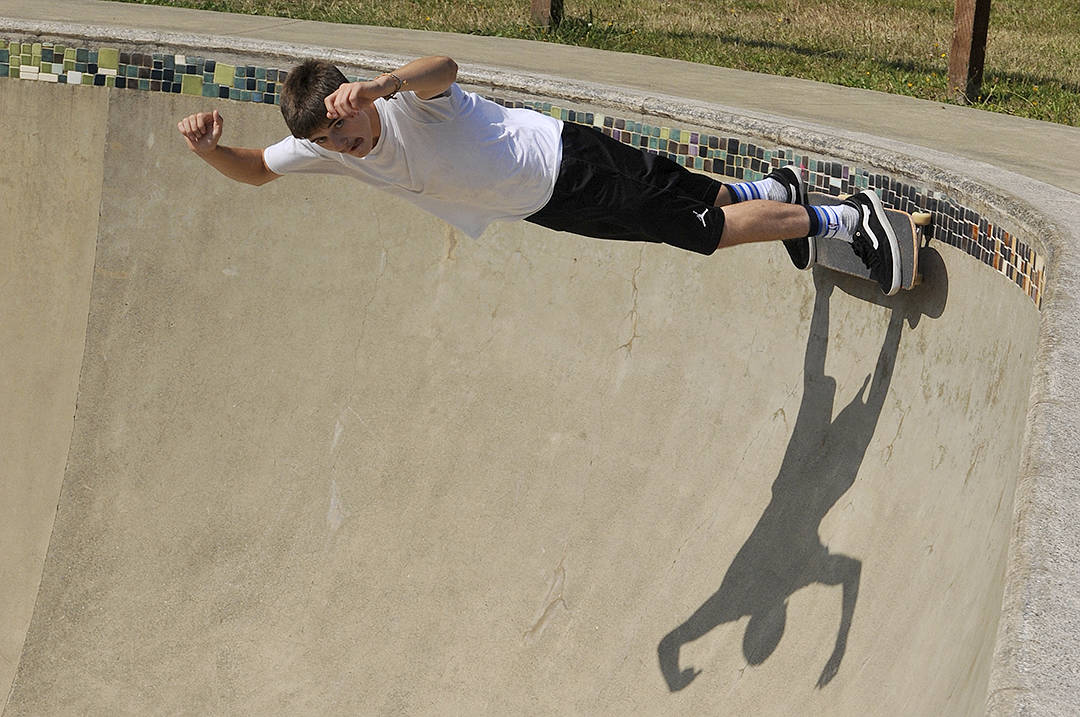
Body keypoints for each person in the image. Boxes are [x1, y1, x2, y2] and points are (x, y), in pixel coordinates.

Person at [177, 55, 901, 294]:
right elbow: (258, 169)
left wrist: (383, 86)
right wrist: (213, 152)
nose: (349, 145)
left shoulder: (408, 109)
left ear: (355, 102)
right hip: (546, 204)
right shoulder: (323, 147)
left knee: (704, 232)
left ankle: (847, 218)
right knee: (688, 198)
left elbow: (446, 70)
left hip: (569, 163)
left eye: (347, 127)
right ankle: (777, 193)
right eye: (332, 141)